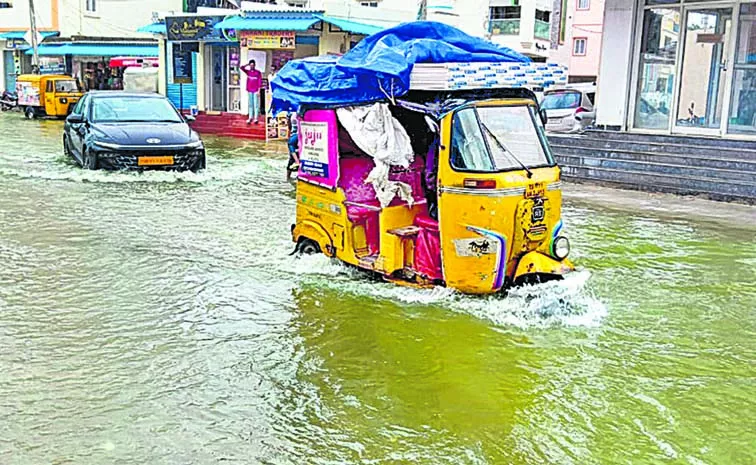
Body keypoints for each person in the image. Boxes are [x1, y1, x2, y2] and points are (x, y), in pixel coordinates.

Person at [240, 59, 263, 124]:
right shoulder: (248, 72)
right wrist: (247, 64)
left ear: (255, 65)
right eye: (250, 65)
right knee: (250, 104)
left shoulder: (258, 72)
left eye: (253, 65)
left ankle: (256, 118)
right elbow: (241, 67)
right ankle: (250, 117)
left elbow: (259, 82)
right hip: (249, 90)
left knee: (256, 104)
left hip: (255, 90)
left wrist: (259, 91)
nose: (251, 66)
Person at [287, 113, 300, 182]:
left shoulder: (291, 113)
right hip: (304, 135)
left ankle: (288, 178)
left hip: (295, 136)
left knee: (291, 158)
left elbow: (289, 126)